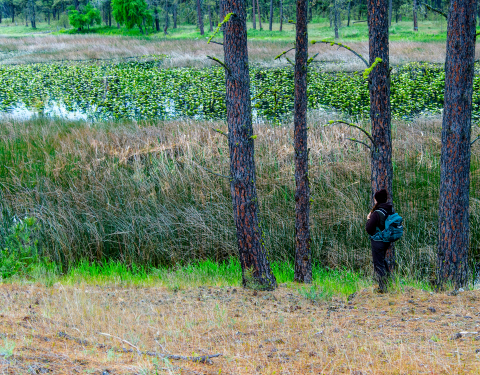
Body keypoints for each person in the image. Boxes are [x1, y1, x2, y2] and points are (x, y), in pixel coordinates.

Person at [365, 189, 393, 293]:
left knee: (378, 264)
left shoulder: (377, 213)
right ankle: (388, 283)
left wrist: (368, 219)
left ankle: (383, 288)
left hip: (378, 241)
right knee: (382, 261)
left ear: (377, 199)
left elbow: (369, 229)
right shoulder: (389, 210)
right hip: (386, 241)